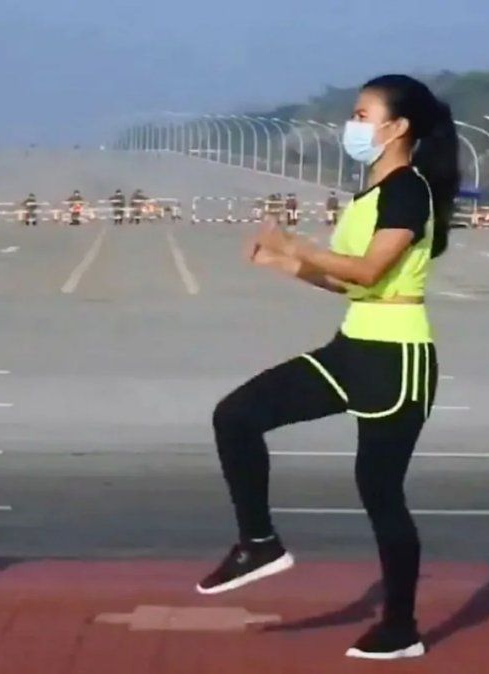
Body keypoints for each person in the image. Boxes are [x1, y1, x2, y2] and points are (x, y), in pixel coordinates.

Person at [196, 74, 459, 661]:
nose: (354, 126)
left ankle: (400, 626)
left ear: (398, 128)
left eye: (363, 115)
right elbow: (348, 282)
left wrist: (298, 246)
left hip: (397, 359)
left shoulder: (408, 191)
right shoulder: (372, 194)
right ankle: (259, 542)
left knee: (380, 491)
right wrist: (283, 265)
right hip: (352, 349)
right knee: (236, 416)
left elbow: (369, 271)